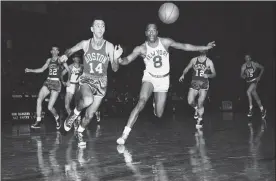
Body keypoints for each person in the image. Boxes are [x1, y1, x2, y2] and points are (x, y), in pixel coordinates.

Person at [115, 23, 216, 145]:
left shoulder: (165, 42)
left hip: (163, 80)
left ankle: (155, 104)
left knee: (159, 114)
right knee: (141, 102)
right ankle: (124, 135)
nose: (151, 33)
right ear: (146, 33)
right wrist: (119, 59)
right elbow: (128, 60)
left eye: (154, 30)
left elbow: (184, 46)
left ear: (157, 32)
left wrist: (205, 47)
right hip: (149, 78)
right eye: (149, 31)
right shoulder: (141, 48)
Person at [59, 17, 122, 147]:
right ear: (92, 29)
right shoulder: (85, 43)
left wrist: (116, 57)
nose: (100, 27)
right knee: (88, 100)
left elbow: (115, 69)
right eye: (97, 25)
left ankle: (79, 132)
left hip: (102, 82)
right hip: (87, 78)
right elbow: (70, 50)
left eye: (103, 25)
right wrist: (66, 55)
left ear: (104, 29)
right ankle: (71, 117)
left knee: (89, 115)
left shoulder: (109, 46)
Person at [25, 46, 70, 129]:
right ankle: (38, 121)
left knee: (49, 107)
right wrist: (30, 70)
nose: (55, 51)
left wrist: (67, 80)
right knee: (39, 99)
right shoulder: (49, 60)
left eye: (56, 49)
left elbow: (68, 69)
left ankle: (57, 118)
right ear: (51, 51)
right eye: (53, 49)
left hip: (56, 83)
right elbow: (42, 69)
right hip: (48, 81)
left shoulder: (61, 59)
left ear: (58, 52)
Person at [179, 50, 216, 128]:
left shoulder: (209, 61)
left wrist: (208, 76)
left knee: (200, 102)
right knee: (190, 101)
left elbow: (214, 73)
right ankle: (196, 108)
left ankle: (200, 120)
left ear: (206, 52)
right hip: (194, 82)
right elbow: (187, 68)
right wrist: (183, 74)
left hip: (204, 83)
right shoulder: (194, 60)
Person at [240, 54, 266, 118]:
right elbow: (241, 75)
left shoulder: (254, 64)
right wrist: (243, 76)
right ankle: (262, 110)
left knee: (248, 92)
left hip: (254, 81)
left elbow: (262, 68)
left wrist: (259, 76)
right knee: (255, 95)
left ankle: (250, 109)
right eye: (246, 58)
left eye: (248, 57)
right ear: (245, 59)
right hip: (248, 82)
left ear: (250, 58)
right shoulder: (243, 66)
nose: (247, 59)